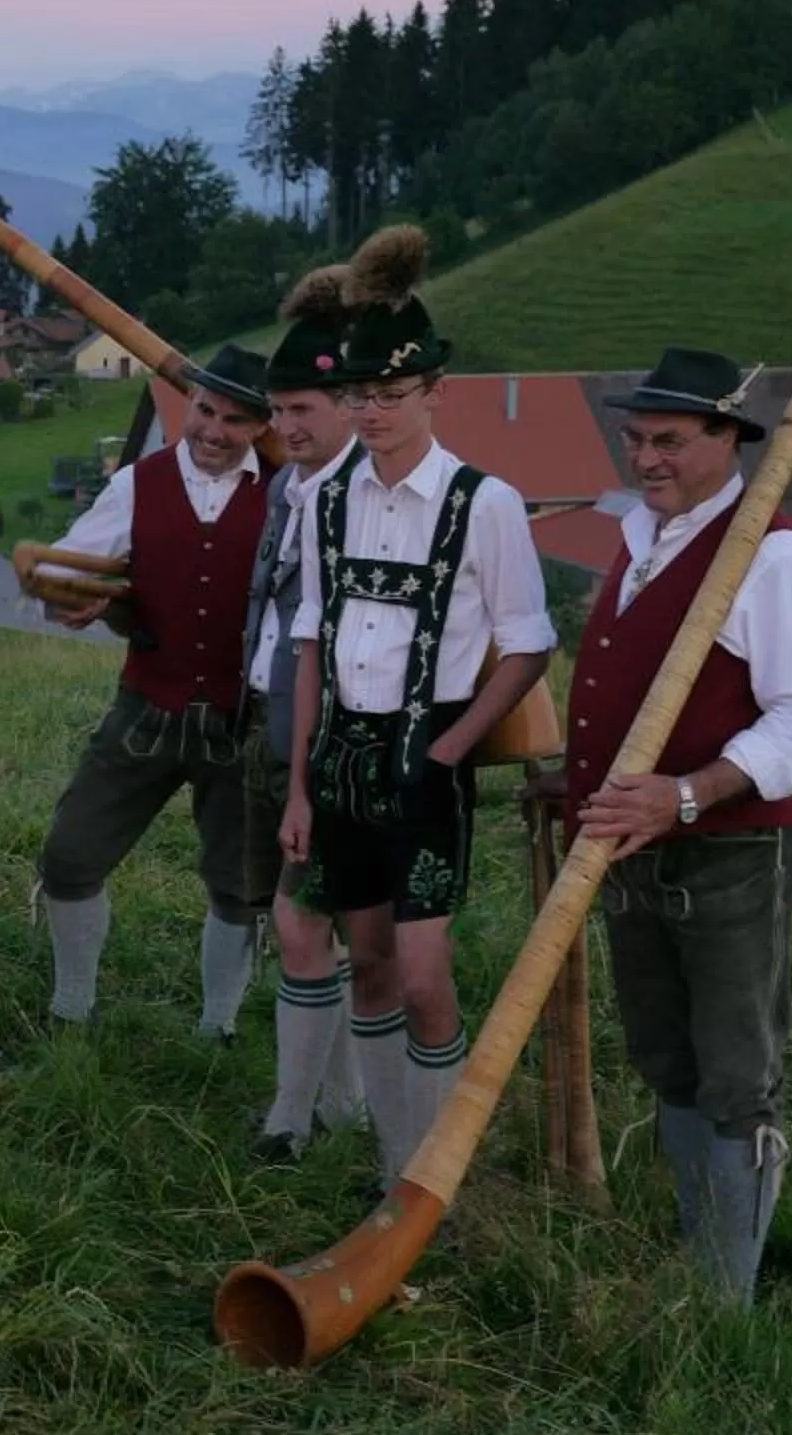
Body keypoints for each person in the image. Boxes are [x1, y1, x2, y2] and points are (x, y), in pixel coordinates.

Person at [553, 346, 792, 1301]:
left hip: (731, 852)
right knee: (666, 1057)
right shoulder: (644, 536)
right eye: (636, 440)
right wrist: (576, 782)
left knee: (734, 1072)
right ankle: (697, 1250)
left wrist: (684, 794)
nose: (648, 459)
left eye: (671, 441)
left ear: (729, 438)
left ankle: (726, 1302)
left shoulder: (778, 556)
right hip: (631, 846)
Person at [280, 225, 555, 1192]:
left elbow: (527, 644)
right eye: (359, 395)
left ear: (435, 391)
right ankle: (395, 1163)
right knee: (368, 967)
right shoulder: (323, 500)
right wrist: (302, 783)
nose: (372, 413)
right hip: (343, 762)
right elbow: (311, 636)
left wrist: (452, 750)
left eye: (393, 395)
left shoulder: (486, 504)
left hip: (426, 764)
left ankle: (439, 1172)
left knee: (427, 976)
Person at [36, 343, 273, 1037]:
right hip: (147, 707)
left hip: (242, 720)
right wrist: (69, 598)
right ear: (187, 404)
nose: (213, 430)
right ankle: (72, 1006)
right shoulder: (140, 482)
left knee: (239, 884)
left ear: (260, 427)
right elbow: (70, 569)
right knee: (70, 855)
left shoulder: (290, 495)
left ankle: (217, 1026)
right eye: (204, 409)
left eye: (234, 419)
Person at [241, 286, 371, 1159]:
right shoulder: (290, 485)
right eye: (279, 408)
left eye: (304, 408)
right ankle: (342, 1103)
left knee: (308, 925)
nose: (288, 424)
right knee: (315, 926)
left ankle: (297, 1114)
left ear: (350, 406)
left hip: (338, 750)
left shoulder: (362, 495)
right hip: (275, 731)